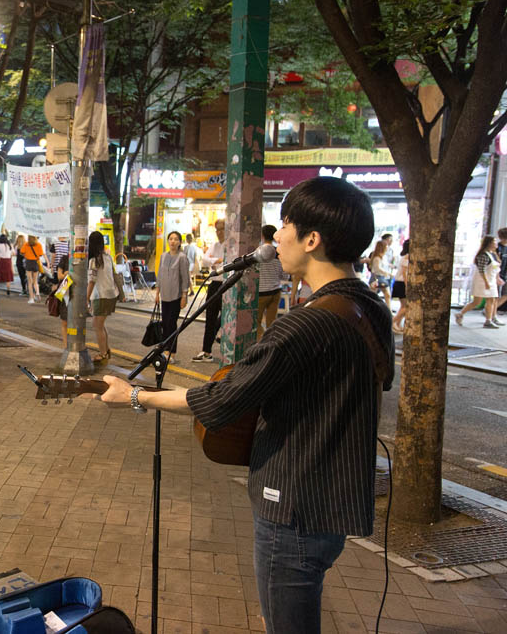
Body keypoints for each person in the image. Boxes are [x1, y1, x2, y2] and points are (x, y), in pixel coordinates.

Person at [98, 176, 394, 634]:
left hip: (292, 507)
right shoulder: (369, 307)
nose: (277, 237)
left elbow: (220, 400)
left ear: (312, 239)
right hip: (333, 505)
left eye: (287, 225)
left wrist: (135, 395)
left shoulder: (306, 325)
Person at [194, 219, 226, 363]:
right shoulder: (215, 245)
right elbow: (205, 260)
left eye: (222, 229)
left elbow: (227, 263)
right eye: (217, 229)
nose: (219, 232)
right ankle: (206, 351)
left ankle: (226, 352)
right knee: (210, 319)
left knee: (226, 319)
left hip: (227, 284)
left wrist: (217, 261)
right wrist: (216, 261)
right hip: (214, 284)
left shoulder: (231, 246)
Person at [155, 230, 190, 358]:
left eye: (176, 239)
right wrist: (157, 293)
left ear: (180, 242)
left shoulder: (182, 257)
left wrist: (184, 296)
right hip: (164, 295)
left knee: (171, 323)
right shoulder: (163, 256)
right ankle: (164, 349)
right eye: (170, 239)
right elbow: (160, 274)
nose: (173, 241)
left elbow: (185, 278)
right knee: (165, 323)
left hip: (176, 296)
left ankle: (171, 352)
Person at [87, 231, 120, 365]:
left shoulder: (94, 260)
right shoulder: (107, 257)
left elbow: (92, 281)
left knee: (97, 325)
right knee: (99, 324)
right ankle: (106, 350)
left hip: (101, 295)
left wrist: (86, 298)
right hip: (111, 294)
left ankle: (103, 354)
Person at [455, 235, 503, 328]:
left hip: (491, 280)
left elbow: (496, 267)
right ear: (489, 243)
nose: (496, 243)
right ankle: (460, 314)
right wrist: (486, 282)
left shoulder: (492, 254)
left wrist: (497, 278)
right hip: (482, 281)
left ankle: (489, 320)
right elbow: (482, 270)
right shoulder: (483, 255)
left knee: (492, 300)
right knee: (476, 302)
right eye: (494, 241)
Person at [256, 225, 285, 339]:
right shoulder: (278, 252)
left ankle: (262, 341)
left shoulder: (259, 252)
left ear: (262, 235)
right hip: (276, 291)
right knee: (272, 322)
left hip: (262, 292)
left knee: (256, 321)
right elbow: (285, 275)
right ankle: (271, 342)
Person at [20, 235, 46, 304]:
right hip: (35, 263)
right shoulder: (39, 244)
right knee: (35, 281)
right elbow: (40, 254)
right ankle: (37, 293)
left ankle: (31, 298)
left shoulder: (26, 244)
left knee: (29, 281)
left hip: (28, 262)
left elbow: (21, 252)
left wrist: (26, 255)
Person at [52, 255, 71, 346]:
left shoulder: (84, 259)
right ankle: (66, 345)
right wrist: (67, 273)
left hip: (78, 294)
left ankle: (75, 344)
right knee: (65, 321)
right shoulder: (65, 259)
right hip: (65, 292)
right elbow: (59, 276)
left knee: (76, 321)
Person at [368, 239, 392, 311]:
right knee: (384, 295)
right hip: (377, 278)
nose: (387, 247)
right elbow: (377, 268)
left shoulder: (381, 257)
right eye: (386, 246)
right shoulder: (377, 258)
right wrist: (387, 273)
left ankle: (388, 310)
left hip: (379, 278)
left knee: (383, 295)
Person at [392, 240, 410, 333]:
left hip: (400, 283)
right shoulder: (406, 258)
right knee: (406, 306)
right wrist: (407, 286)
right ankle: (393, 322)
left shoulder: (404, 257)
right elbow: (404, 274)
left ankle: (397, 324)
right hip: (401, 283)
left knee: (403, 306)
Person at [496, 227, 507, 314]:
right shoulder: (497, 248)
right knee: (495, 296)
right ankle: (491, 312)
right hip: (497, 275)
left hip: (505, 275)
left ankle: (492, 310)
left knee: (505, 295)